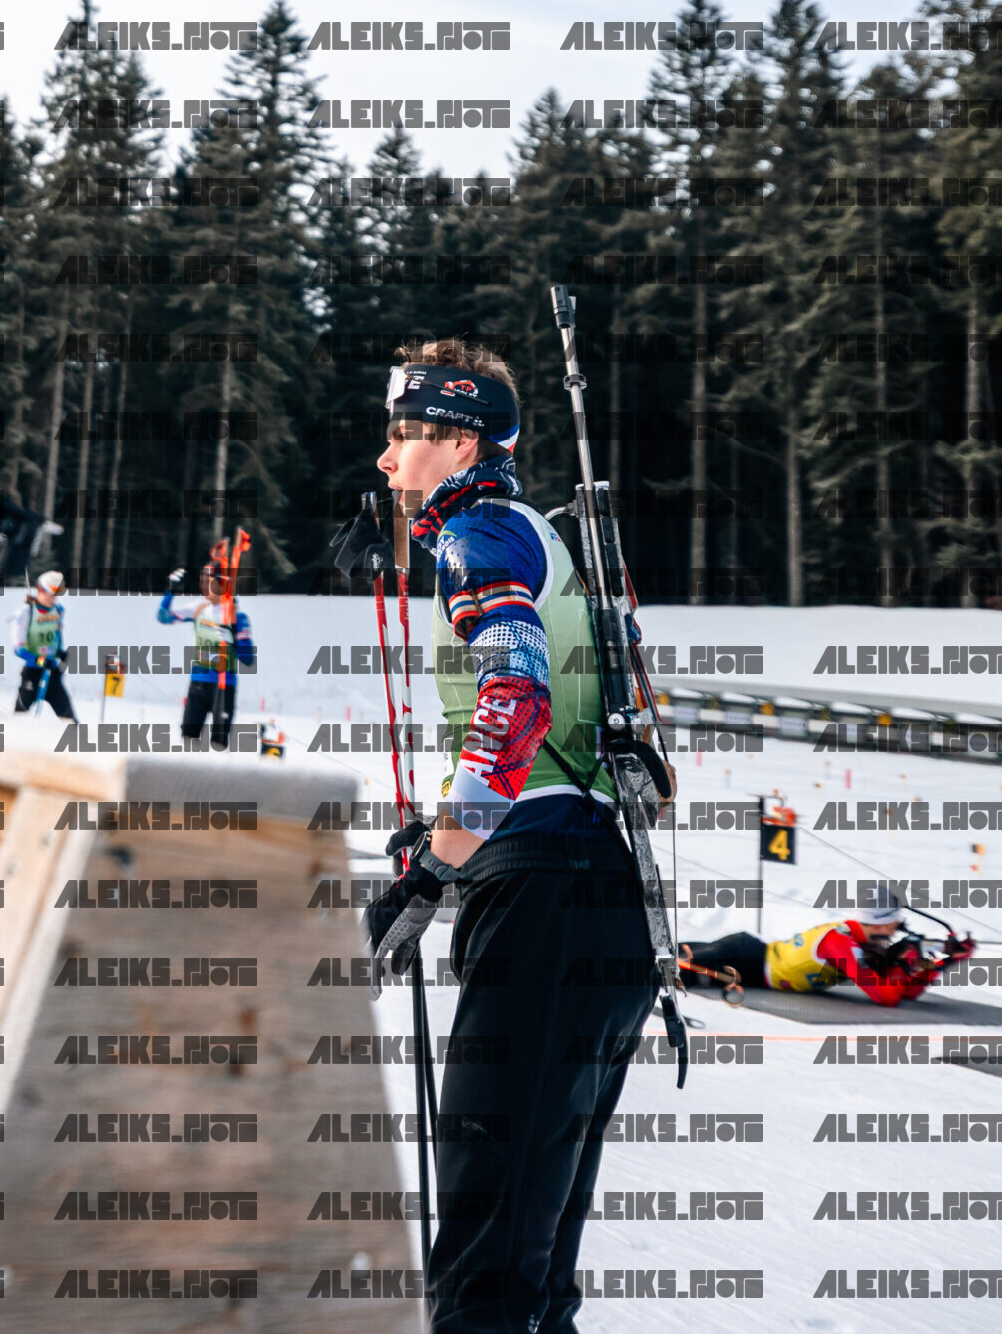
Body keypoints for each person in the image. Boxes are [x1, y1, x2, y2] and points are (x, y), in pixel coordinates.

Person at [363, 338, 659, 1334]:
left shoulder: (478, 534)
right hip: (593, 892)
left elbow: (516, 699)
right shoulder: (534, 532)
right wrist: (450, 828)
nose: (386, 458)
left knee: (486, 1265)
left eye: (405, 433)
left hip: (545, 899)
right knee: (529, 1267)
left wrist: (433, 870)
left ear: (461, 441)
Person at [682, 889, 973, 1008]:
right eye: (895, 925)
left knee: (677, 960)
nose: (896, 932)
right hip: (746, 958)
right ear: (881, 924)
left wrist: (943, 963)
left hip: (756, 963)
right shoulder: (842, 943)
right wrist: (907, 960)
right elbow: (886, 996)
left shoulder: (865, 941)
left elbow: (906, 991)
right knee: (675, 970)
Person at [158, 551, 254, 750]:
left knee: (219, 745)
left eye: (207, 581)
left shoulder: (237, 616)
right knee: (188, 740)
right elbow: (163, 617)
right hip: (198, 684)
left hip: (224, 687)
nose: (202, 586)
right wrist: (170, 592)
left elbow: (248, 659)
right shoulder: (199, 608)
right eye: (201, 581)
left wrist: (233, 638)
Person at [12, 570, 75, 721]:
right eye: (51, 594)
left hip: (52, 673)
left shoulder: (57, 611)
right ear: (41, 590)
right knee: (19, 717)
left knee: (69, 719)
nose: (54, 598)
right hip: (32, 673)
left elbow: (54, 640)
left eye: (56, 595)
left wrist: (60, 654)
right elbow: (18, 649)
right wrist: (39, 660)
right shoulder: (26, 613)